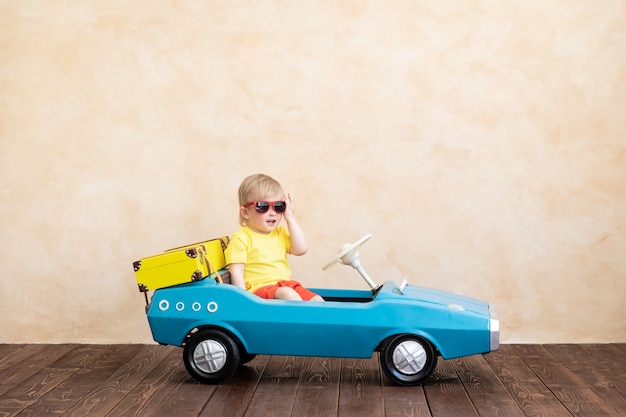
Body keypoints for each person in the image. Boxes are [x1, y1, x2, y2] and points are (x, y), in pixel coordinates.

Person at [224, 173, 324, 302]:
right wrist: (244, 302)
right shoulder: (241, 238)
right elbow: (236, 272)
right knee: (289, 295)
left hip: (285, 285)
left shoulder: (280, 232)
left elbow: (301, 249)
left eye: (278, 206)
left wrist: (290, 218)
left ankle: (311, 322)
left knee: (317, 300)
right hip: (258, 291)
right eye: (263, 206)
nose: (272, 213)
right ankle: (298, 322)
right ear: (245, 212)